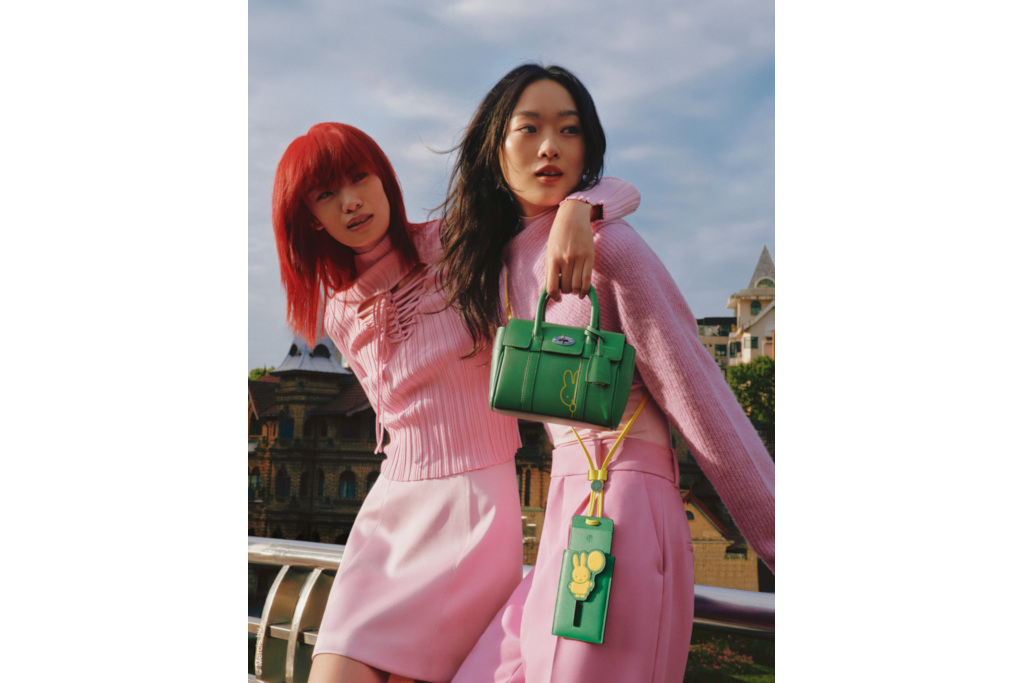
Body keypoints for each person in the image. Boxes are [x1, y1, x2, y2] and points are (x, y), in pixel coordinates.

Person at [437, 64, 776, 683]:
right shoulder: (500, 261)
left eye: (569, 131)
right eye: (530, 128)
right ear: (494, 146)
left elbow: (700, 398)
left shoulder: (612, 250)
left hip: (621, 505)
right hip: (564, 512)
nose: (550, 147)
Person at [271, 122, 641, 683]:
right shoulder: (338, 313)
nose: (349, 202)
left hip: (474, 505)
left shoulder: (458, 241)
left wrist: (576, 211)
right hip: (388, 514)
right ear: (310, 218)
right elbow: (394, 420)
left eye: (357, 177)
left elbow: (622, 191)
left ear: (383, 177)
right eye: (325, 195)